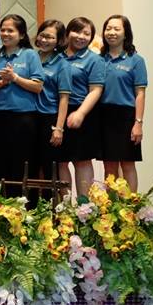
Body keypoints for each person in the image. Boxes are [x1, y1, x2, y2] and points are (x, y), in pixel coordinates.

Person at [0, 14, 43, 192]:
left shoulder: (30, 55)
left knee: (23, 162)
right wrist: (2, 82)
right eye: (3, 30)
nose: (5, 34)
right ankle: (1, 202)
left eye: (10, 30)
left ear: (21, 34)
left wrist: (15, 78)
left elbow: (37, 86)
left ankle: (24, 202)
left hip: (24, 117)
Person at [100, 15, 147, 192]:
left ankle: (130, 205)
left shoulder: (136, 60)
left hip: (126, 116)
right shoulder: (99, 59)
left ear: (126, 33)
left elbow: (140, 94)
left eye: (116, 29)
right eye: (108, 28)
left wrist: (138, 123)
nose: (111, 32)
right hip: (104, 115)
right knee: (109, 165)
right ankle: (111, 205)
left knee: (127, 163)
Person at [61, 17, 104, 198]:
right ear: (68, 33)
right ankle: (63, 207)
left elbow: (96, 90)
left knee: (82, 161)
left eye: (86, 34)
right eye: (77, 31)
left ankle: (84, 207)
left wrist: (80, 113)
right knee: (60, 161)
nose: (81, 36)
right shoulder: (57, 55)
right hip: (58, 112)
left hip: (82, 112)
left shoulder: (94, 59)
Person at [33, 20, 71, 195]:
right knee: (32, 165)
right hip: (30, 116)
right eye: (42, 35)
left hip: (49, 118)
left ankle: (51, 206)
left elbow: (64, 98)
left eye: (50, 37)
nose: (44, 40)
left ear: (59, 40)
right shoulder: (31, 57)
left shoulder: (62, 64)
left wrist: (59, 128)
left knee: (49, 168)